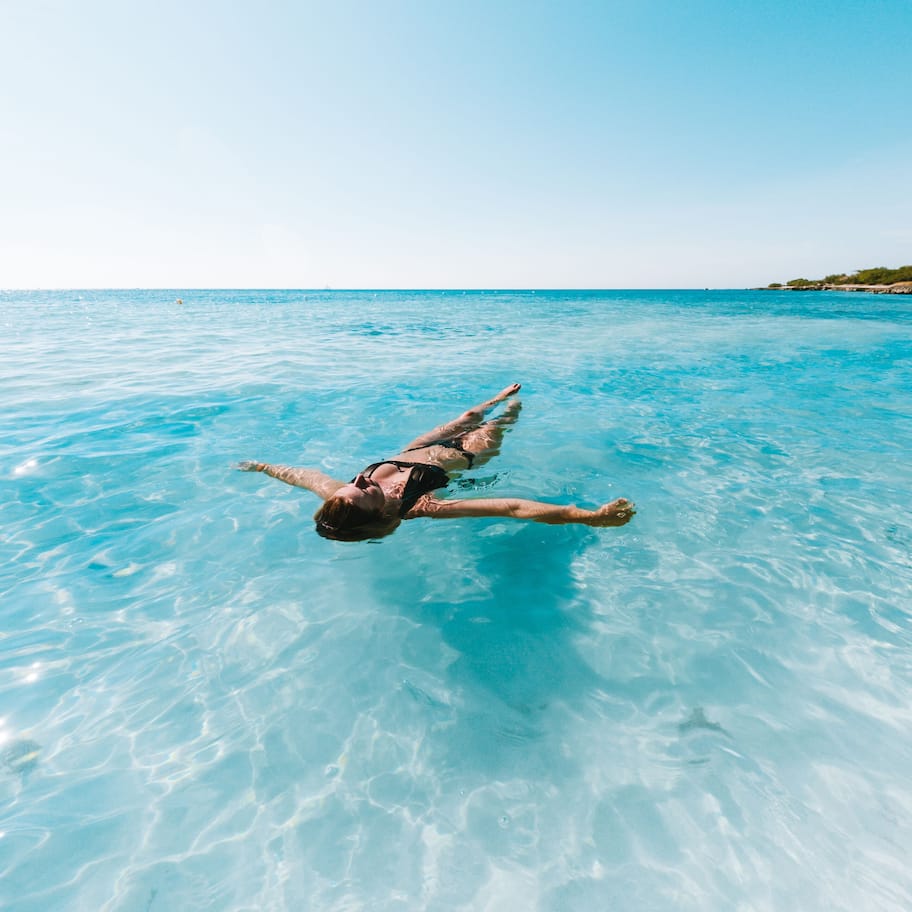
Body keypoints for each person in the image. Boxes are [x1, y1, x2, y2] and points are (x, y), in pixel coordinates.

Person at [238, 383, 635, 541]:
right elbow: (512, 507)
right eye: (364, 489)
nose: (359, 479)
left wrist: (261, 466)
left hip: (415, 447)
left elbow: (301, 475)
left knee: (467, 417)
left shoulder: (340, 495)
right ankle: (513, 408)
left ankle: (499, 396)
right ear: (379, 512)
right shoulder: (421, 507)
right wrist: (586, 516)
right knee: (497, 425)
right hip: (465, 457)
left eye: (354, 481)